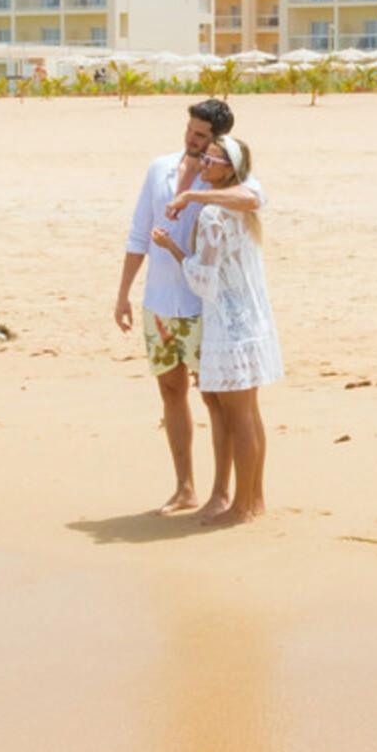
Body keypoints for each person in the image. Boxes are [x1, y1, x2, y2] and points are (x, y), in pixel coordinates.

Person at [114, 99, 232, 513]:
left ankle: (221, 492)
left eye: (201, 135)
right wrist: (124, 293)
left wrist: (204, 185)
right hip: (159, 304)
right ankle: (185, 487)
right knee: (170, 390)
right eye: (190, 131)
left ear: (218, 140)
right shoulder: (159, 168)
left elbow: (251, 200)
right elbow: (138, 233)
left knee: (214, 396)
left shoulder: (222, 180)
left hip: (202, 306)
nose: (191, 140)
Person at [159, 134, 281, 525]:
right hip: (252, 319)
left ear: (228, 168)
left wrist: (173, 250)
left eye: (211, 161)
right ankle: (253, 498)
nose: (204, 165)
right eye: (204, 159)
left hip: (228, 326)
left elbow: (203, 280)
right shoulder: (239, 204)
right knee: (249, 413)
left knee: (237, 417)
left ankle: (242, 506)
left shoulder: (216, 214)